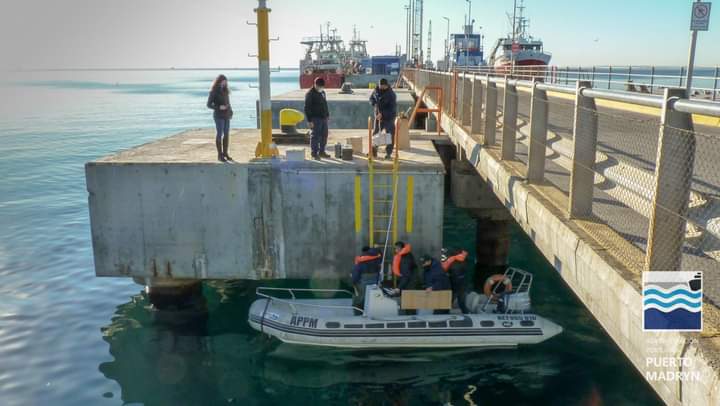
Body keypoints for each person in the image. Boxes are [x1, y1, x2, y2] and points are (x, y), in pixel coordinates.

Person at [207, 74, 233, 162]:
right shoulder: (213, 91)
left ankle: (225, 153)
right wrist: (219, 107)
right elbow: (208, 105)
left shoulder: (226, 91)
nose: (225, 83)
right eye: (223, 81)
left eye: (226, 82)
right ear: (219, 81)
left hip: (226, 115)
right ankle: (219, 155)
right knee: (219, 134)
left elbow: (228, 102)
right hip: (218, 116)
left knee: (226, 134)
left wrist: (231, 111)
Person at [369, 78, 397, 159]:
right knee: (376, 133)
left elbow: (392, 109)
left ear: (386, 85)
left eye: (382, 86)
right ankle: (374, 152)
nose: (380, 87)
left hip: (389, 118)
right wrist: (374, 104)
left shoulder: (391, 94)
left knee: (389, 135)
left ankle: (388, 153)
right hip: (378, 117)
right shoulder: (376, 90)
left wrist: (383, 114)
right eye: (379, 85)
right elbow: (371, 99)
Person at [304, 77, 330, 160]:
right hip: (315, 118)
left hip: (323, 118)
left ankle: (322, 152)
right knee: (315, 136)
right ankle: (314, 153)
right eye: (319, 86)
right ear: (315, 85)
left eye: (322, 86)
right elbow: (307, 108)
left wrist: (327, 115)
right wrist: (309, 120)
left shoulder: (323, 92)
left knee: (324, 135)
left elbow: (325, 104)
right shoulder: (310, 94)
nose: (321, 88)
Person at [441, 248, 469, 313]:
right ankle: (466, 313)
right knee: (461, 301)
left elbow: (445, 269)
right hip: (461, 283)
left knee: (450, 301)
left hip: (454, 283)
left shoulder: (451, 260)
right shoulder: (464, 260)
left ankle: (444, 313)